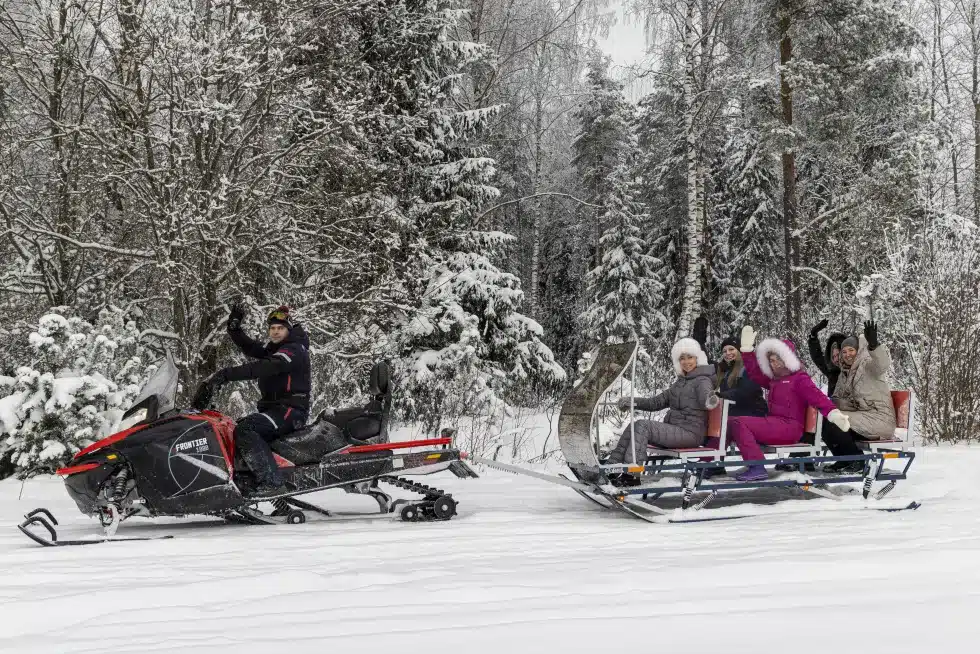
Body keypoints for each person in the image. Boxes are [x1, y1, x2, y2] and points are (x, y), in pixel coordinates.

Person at [206, 304, 312, 496]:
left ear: (288, 329)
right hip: (276, 410)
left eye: (280, 328)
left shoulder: (294, 350)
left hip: (290, 410)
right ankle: (245, 479)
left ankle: (271, 482)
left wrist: (226, 375)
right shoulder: (277, 349)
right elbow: (252, 347)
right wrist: (234, 329)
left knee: (247, 429)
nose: (275, 331)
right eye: (272, 328)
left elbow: (266, 366)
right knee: (233, 429)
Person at [727, 326, 851, 481]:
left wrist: (834, 414)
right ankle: (712, 465)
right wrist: (746, 351)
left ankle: (757, 467)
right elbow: (754, 373)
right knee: (729, 422)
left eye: (777, 360)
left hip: (790, 428)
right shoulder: (774, 380)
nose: (774, 364)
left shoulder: (799, 379)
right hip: (775, 424)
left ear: (787, 359)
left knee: (739, 422)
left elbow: (817, 397)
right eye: (771, 361)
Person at [605, 338, 718, 485]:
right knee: (635, 426)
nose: (686, 362)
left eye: (690, 357)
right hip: (677, 430)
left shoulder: (702, 380)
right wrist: (632, 402)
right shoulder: (681, 382)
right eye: (682, 358)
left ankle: (632, 474)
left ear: (698, 358)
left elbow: (706, 396)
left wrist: (710, 400)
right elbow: (655, 402)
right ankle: (612, 467)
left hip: (691, 433)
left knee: (642, 426)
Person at [822, 321, 897, 473]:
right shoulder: (844, 372)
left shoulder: (867, 365)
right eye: (844, 352)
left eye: (851, 350)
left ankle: (858, 460)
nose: (847, 354)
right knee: (829, 419)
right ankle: (844, 460)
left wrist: (874, 346)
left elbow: (882, 365)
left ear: (858, 351)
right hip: (863, 417)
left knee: (837, 421)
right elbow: (837, 398)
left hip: (879, 419)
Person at [715, 336, 767, 418]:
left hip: (752, 414)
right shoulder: (725, 371)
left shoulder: (748, 367)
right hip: (734, 414)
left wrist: (722, 395)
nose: (728, 353)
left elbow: (746, 391)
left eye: (731, 349)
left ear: (739, 350)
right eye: (724, 351)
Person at [808, 319, 847, 395]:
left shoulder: (855, 369)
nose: (836, 359)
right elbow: (817, 357)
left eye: (838, 355)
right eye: (833, 356)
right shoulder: (832, 372)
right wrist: (813, 337)